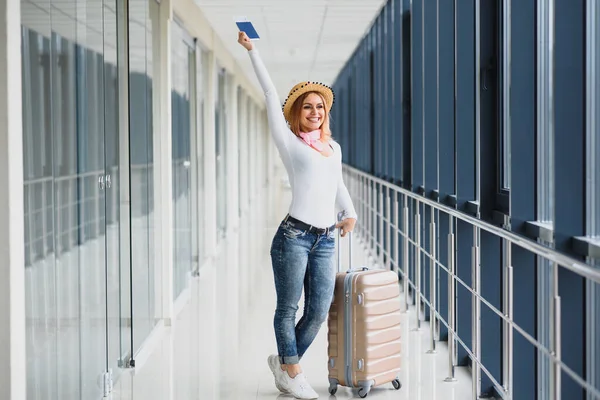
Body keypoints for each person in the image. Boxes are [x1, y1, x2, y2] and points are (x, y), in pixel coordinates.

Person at [238, 31, 357, 399]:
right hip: (293, 236)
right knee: (288, 308)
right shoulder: (289, 143)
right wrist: (253, 51)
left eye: (320, 107)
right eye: (307, 106)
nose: (315, 112)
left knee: (319, 310)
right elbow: (272, 96)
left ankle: (285, 362)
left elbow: (336, 183)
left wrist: (349, 212)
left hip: (325, 238)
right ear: (296, 112)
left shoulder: (332, 147)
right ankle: (293, 371)